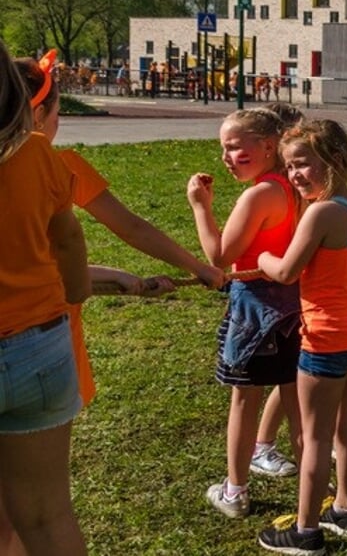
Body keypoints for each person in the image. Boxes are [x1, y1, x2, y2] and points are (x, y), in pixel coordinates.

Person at [18, 51, 222, 412]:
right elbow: (130, 227)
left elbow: (29, 270)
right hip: (45, 340)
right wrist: (198, 267)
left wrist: (117, 278)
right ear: (37, 116)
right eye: (57, 112)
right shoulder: (61, 167)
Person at [253, 119, 347, 554]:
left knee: (315, 436)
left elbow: (287, 270)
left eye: (303, 164)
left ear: (336, 161)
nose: (294, 176)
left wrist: (263, 256)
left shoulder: (322, 212)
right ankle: (344, 509)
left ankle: (305, 531)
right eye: (289, 167)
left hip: (327, 339)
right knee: (345, 424)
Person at [187, 107, 303, 520]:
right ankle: (316, 487)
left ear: (269, 146)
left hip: (256, 308)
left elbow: (219, 256)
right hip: (295, 305)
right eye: (223, 148)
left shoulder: (259, 194)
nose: (225, 157)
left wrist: (201, 205)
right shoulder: (296, 184)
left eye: (235, 148)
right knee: (296, 397)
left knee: (244, 400)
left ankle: (235, 491)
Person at [0, 37, 89, 556]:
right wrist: (77, 290)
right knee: (49, 516)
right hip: (39, 349)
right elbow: (67, 238)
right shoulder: (35, 153)